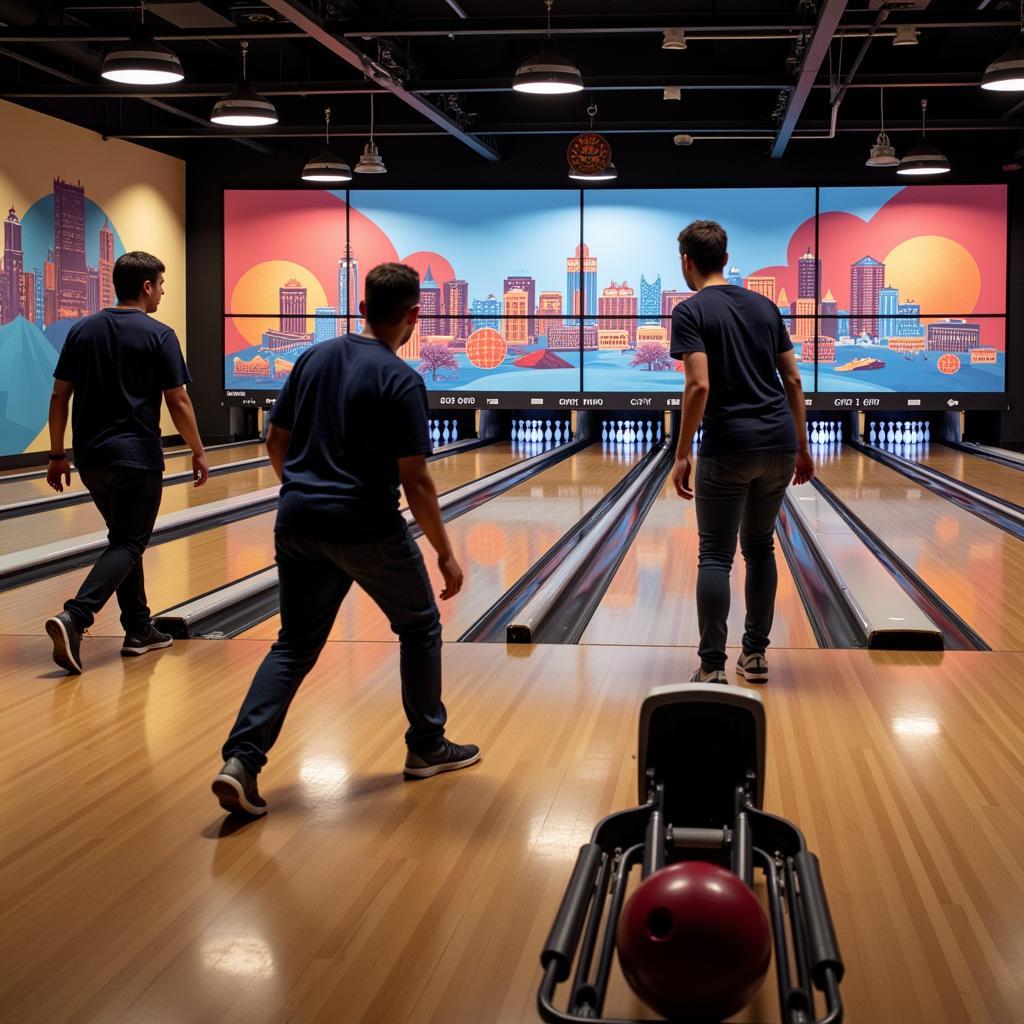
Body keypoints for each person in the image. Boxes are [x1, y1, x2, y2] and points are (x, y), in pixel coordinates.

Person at [212, 262, 479, 818]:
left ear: (360, 309)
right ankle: (427, 746)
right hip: (366, 526)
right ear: (413, 315)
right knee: (420, 625)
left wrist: (305, 491)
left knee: (293, 646)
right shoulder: (401, 378)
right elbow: (417, 479)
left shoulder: (312, 357)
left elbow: (275, 440)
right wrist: (446, 553)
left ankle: (241, 760)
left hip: (299, 522)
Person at [45, 251, 208, 675]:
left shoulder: (81, 331)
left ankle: (139, 628)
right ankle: (76, 617)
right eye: (161, 284)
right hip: (136, 457)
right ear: (146, 287)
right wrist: (197, 449)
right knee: (129, 543)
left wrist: (58, 453)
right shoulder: (160, 334)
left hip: (92, 459)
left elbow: (60, 396)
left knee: (123, 538)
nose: (163, 292)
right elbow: (179, 400)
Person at [670, 220, 814, 685]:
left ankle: (712, 666)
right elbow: (792, 380)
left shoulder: (690, 311)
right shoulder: (766, 307)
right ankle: (754, 656)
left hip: (728, 446)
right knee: (759, 548)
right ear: (726, 259)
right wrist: (802, 447)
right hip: (777, 443)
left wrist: (682, 451)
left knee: (715, 553)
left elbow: (698, 385)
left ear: (687, 261)